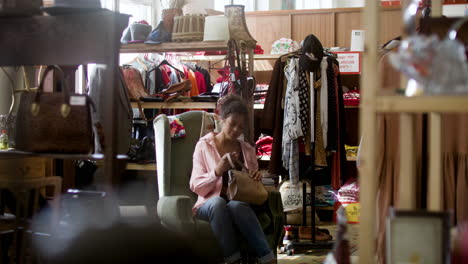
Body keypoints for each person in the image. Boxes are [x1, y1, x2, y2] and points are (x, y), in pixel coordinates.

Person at [190, 94, 276, 264]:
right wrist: (217, 171)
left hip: (239, 203)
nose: (236, 130)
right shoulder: (204, 146)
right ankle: (233, 259)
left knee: (236, 205)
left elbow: (252, 188)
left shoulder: (247, 149)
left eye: (241, 127)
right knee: (218, 203)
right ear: (222, 119)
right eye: (232, 124)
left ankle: (267, 258)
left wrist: (255, 177)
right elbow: (196, 186)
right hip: (208, 205)